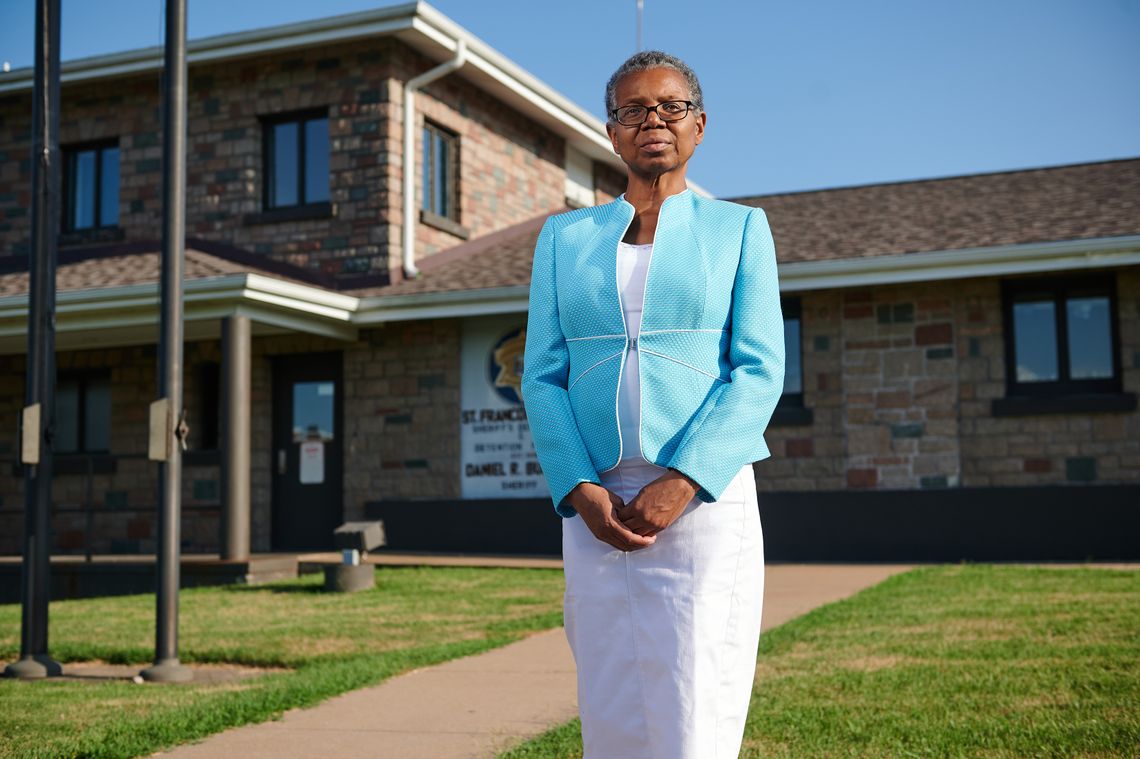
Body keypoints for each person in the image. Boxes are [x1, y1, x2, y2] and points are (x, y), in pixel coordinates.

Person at [521, 50, 785, 759]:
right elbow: (541, 376)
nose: (653, 122)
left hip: (702, 499)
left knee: (697, 688)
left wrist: (685, 478)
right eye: (633, 110)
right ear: (611, 133)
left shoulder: (739, 230)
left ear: (700, 126)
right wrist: (579, 490)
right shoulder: (563, 239)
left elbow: (759, 371)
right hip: (596, 502)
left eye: (670, 107)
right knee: (608, 689)